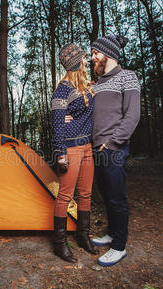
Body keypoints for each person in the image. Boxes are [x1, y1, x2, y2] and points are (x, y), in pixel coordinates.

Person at [90, 35, 141, 266]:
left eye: (95, 53)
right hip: (96, 149)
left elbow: (132, 116)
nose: (93, 58)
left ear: (107, 54)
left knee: (117, 198)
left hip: (113, 148)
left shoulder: (127, 77)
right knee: (106, 196)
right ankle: (112, 233)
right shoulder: (98, 83)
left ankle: (119, 246)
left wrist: (112, 143)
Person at [51, 43, 99, 262]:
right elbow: (57, 125)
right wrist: (61, 154)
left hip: (88, 146)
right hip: (70, 149)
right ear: (77, 62)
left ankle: (83, 235)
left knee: (86, 194)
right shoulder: (62, 89)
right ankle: (60, 244)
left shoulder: (87, 86)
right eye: (83, 58)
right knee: (65, 195)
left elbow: (86, 112)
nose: (86, 61)